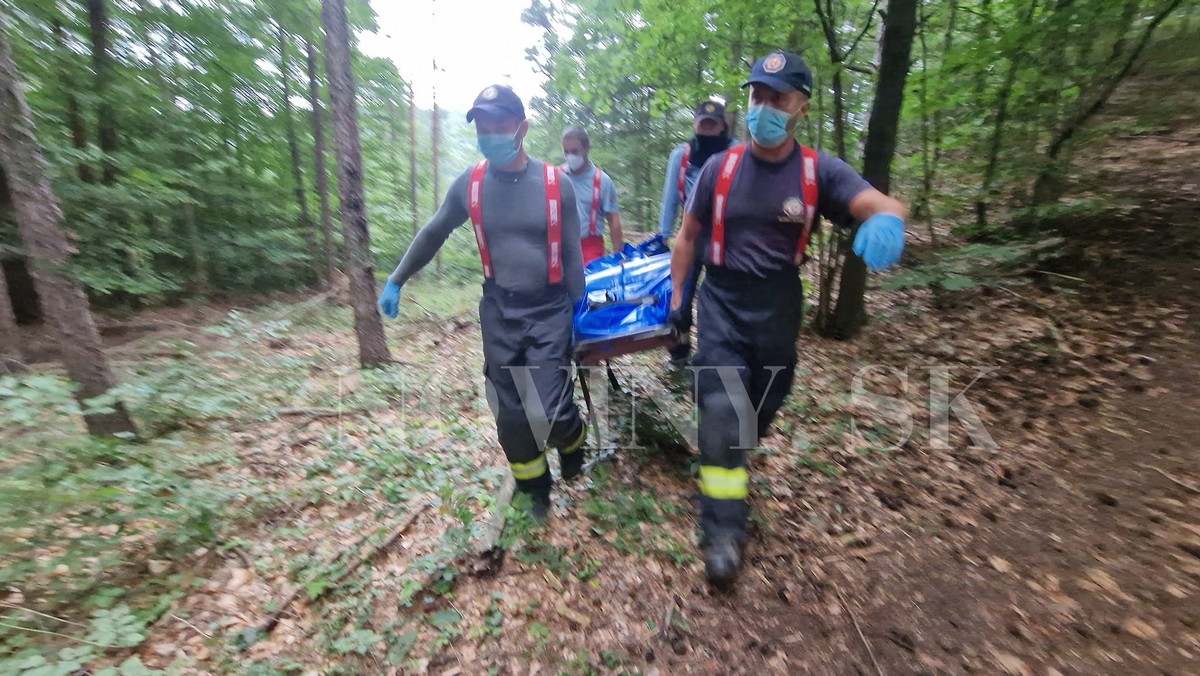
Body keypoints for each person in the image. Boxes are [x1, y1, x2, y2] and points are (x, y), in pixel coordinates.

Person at [668, 51, 907, 588]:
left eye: (777, 97)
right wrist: (679, 298)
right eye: (757, 95)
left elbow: (883, 203)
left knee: (758, 414)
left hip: (778, 308)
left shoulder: (816, 170)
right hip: (723, 300)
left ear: (799, 105)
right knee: (722, 415)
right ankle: (724, 534)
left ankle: (727, 459)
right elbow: (686, 237)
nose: (764, 106)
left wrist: (889, 221)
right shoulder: (718, 169)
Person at [378, 84, 587, 520]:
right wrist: (397, 279)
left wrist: (579, 308)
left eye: (500, 126)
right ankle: (535, 490)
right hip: (498, 310)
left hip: (548, 309)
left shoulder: (555, 185)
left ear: (521, 128)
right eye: (484, 128)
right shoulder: (470, 184)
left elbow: (570, 252)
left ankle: (572, 439)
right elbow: (434, 231)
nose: (491, 134)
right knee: (510, 413)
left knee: (548, 410)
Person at [657, 100, 734, 366]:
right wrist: (662, 235)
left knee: (718, 295)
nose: (707, 129)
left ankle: (715, 352)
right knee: (681, 292)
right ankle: (679, 352)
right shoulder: (682, 155)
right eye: (703, 124)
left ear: (723, 126)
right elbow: (669, 197)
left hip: (726, 236)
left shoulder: (736, 153)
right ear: (695, 124)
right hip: (689, 233)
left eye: (713, 124)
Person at [561, 126, 623, 265]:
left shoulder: (602, 181)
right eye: (566, 152)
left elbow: (614, 221)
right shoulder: (557, 177)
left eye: (575, 151)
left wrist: (619, 255)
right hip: (561, 247)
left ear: (586, 148)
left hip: (590, 248)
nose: (570, 156)